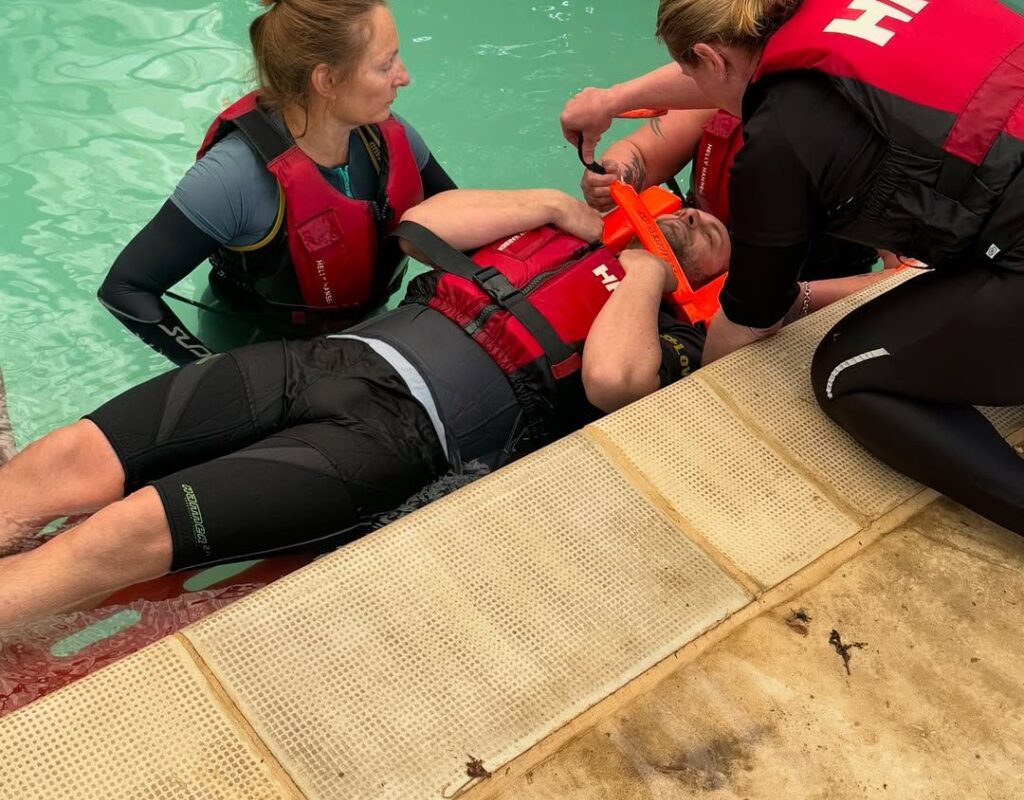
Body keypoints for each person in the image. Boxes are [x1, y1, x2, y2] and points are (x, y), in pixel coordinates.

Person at [0, 179, 892, 627]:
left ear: (720, 276)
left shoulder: (673, 335)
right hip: (320, 360)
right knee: (59, 462)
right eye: (686, 208)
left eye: (707, 229)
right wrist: (551, 204)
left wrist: (653, 270)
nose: (692, 214)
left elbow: (614, 387)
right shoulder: (558, 230)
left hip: (390, 441)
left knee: (122, 534)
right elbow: (422, 225)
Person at [563, 0, 1024, 535]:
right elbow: (768, 68)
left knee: (843, 372)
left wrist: (703, 404)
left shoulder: (779, 145)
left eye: (689, 71)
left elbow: (754, 317)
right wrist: (613, 101)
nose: (689, 86)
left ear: (711, 57)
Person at [99, 0, 457, 364]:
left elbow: (462, 222)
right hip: (262, 351)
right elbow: (125, 290)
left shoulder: (391, 139)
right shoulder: (233, 178)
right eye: (385, 64)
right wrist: (217, 376)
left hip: (368, 331)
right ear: (327, 81)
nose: (404, 76)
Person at [579, 105, 881, 280]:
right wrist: (614, 176)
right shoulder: (719, 92)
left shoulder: (858, 147)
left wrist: (797, 301)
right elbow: (640, 153)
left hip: (806, 280)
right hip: (690, 250)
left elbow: (906, 272)